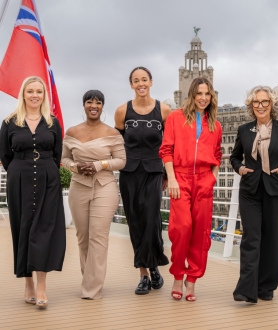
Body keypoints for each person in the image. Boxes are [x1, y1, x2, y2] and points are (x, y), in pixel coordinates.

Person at [230, 85, 278, 303]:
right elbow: (235, 157)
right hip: (250, 191)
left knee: (272, 240)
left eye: (265, 102)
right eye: (256, 102)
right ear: (251, 106)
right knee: (251, 238)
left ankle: (267, 286)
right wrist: (240, 168)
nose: (260, 106)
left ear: (272, 105)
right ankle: (246, 289)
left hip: (276, 190)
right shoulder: (244, 130)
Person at [0, 76, 66, 309]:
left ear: (44, 95)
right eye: (30, 91)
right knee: (23, 228)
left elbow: (57, 154)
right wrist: (21, 169)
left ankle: (41, 287)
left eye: (39, 91)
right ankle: (27, 282)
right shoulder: (9, 122)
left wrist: (47, 169)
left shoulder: (53, 122)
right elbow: (6, 156)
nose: (35, 95)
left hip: (48, 178)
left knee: (44, 229)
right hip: (19, 177)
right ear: (23, 94)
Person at [159, 77, 222, 301]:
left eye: (207, 94)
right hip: (181, 179)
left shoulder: (215, 124)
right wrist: (172, 178)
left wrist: (212, 179)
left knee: (201, 232)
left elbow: (217, 155)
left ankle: (192, 279)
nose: (203, 98)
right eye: (199, 94)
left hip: (204, 180)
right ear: (192, 95)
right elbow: (166, 150)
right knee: (182, 227)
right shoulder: (175, 118)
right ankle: (178, 275)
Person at [61, 90, 126, 299]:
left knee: (98, 235)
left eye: (98, 102)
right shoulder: (71, 132)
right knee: (83, 238)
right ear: (84, 105)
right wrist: (76, 167)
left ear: (102, 106)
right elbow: (64, 159)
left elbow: (121, 161)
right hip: (78, 186)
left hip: (104, 187)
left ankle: (91, 289)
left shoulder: (113, 133)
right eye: (90, 102)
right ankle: (90, 278)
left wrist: (99, 165)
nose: (94, 105)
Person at [114, 67, 170, 295]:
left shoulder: (164, 110)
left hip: (154, 171)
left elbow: (169, 146)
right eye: (136, 80)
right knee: (135, 221)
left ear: (151, 82)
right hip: (129, 172)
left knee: (151, 218)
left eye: (144, 79)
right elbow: (117, 144)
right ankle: (146, 273)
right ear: (131, 85)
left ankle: (152, 264)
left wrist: (168, 174)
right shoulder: (122, 111)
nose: (140, 83)